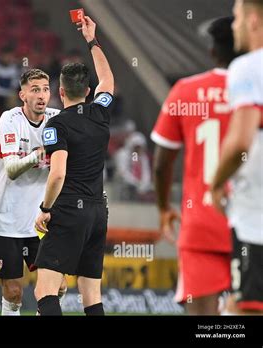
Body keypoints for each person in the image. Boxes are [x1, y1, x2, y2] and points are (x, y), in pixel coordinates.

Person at [151, 17, 237, 315]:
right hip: (252, 222)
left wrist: (163, 208)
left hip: (202, 223)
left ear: (213, 51)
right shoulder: (257, 92)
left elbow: (162, 163)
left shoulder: (185, 91)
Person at [34, 15, 114, 316]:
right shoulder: (100, 114)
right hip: (98, 212)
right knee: (91, 295)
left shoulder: (57, 125)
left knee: (45, 290)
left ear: (61, 92)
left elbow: (58, 173)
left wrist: (45, 209)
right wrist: (92, 40)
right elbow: (108, 79)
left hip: (68, 210)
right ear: (89, 92)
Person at [0, 68, 66, 315]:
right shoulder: (10, 119)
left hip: (41, 219)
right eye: (35, 90)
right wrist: (42, 153)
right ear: (23, 95)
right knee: (13, 292)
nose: (42, 95)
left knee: (58, 286)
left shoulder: (58, 118)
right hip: (5, 218)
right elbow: (11, 169)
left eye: (45, 89)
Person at [211, 0, 263, 314]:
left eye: (238, 18)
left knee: (248, 307)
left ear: (254, 21)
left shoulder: (248, 67)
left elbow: (240, 142)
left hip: (255, 217)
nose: (234, 25)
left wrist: (216, 183)